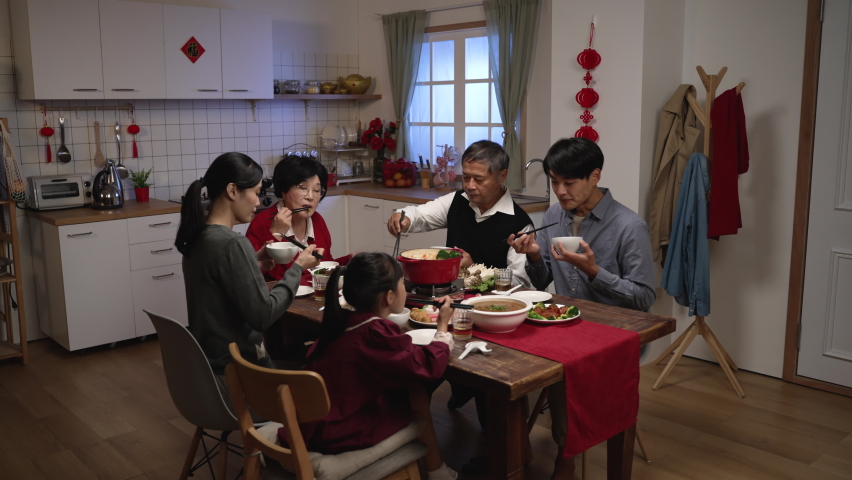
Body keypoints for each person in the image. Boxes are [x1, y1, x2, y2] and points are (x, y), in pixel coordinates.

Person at [508, 137, 655, 479]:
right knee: (509, 352)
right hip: (565, 324)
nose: (560, 192)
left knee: (567, 363)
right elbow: (545, 276)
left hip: (615, 333)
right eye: (554, 182)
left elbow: (644, 297)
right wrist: (534, 256)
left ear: (595, 176)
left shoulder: (629, 226)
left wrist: (594, 272)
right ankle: (513, 447)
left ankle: (566, 454)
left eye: (569, 183)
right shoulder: (555, 215)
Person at [297, 252, 457, 480]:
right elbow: (426, 367)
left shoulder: (343, 318)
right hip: (337, 431)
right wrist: (442, 328)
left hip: (318, 419)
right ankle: (437, 470)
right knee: (414, 391)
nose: (406, 289)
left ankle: (436, 470)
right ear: (389, 297)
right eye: (403, 283)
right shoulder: (373, 333)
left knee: (412, 392)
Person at [176, 152, 323, 380]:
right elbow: (263, 316)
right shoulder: (232, 243)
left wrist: (253, 261)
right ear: (232, 191)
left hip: (210, 369)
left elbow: (220, 281)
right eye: (255, 193)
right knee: (328, 373)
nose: (257, 202)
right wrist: (298, 267)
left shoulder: (200, 236)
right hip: (243, 374)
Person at [387, 140, 533, 287]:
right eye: (466, 177)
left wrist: (474, 269)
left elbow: (520, 282)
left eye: (479, 179)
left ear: (501, 176)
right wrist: (403, 217)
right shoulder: (458, 200)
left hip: (492, 300)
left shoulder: (519, 224)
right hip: (450, 295)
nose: (470, 186)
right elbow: (420, 215)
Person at [246, 155, 350, 284]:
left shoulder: (317, 220)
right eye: (302, 188)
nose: (310, 197)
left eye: (317, 190)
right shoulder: (263, 221)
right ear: (284, 190)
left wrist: (349, 260)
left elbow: (324, 266)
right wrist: (275, 234)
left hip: (313, 294)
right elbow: (249, 274)